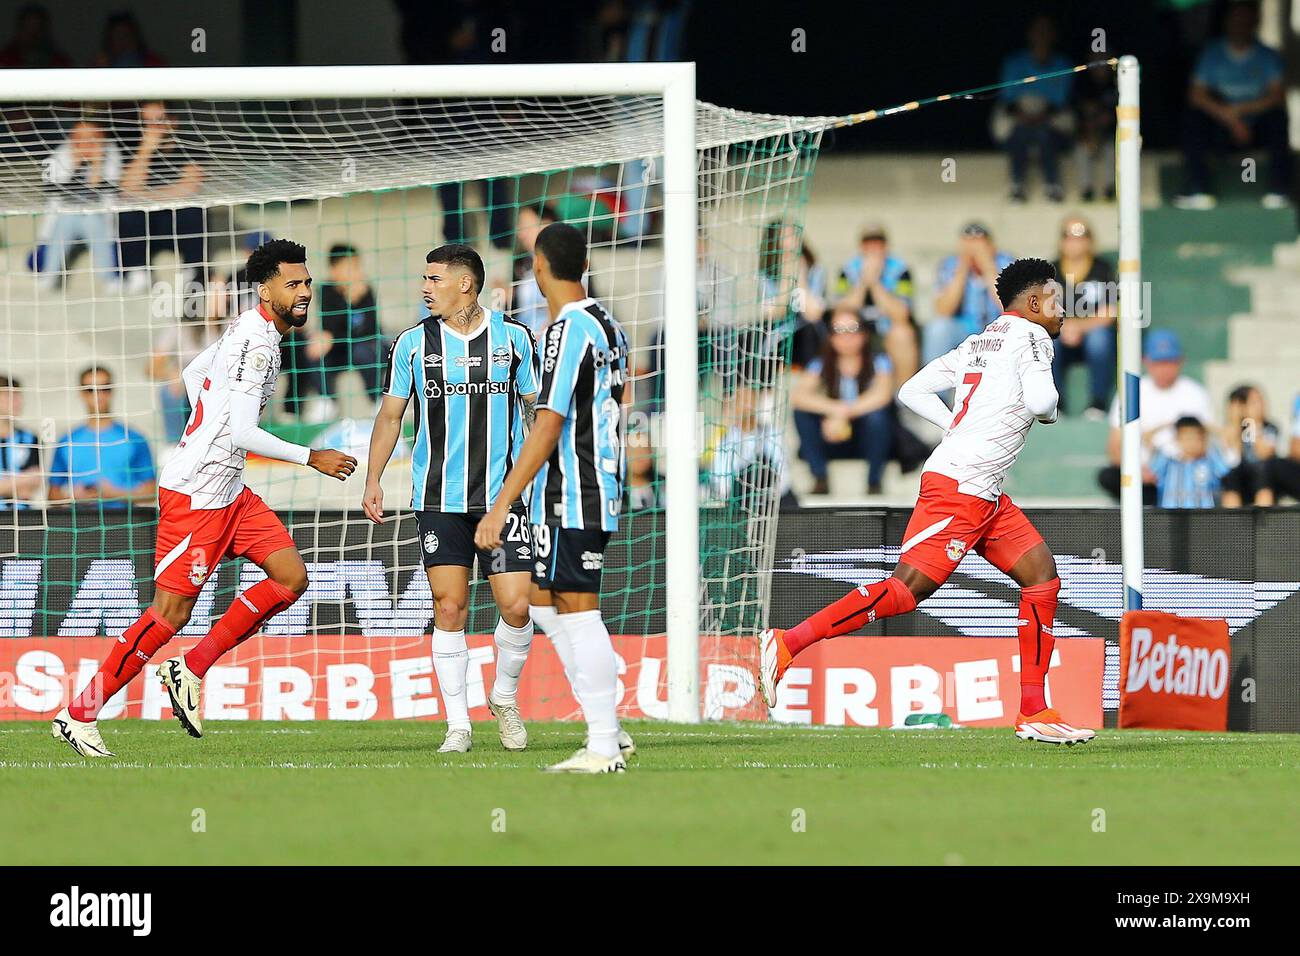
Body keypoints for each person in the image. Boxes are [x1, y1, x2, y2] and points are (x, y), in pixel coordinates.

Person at [760, 258, 1096, 745]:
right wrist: (1041, 411)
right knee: (907, 591)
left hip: (981, 488)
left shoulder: (980, 340)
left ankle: (1034, 709)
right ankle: (787, 644)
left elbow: (911, 389)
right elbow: (1043, 404)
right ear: (1035, 301)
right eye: (1057, 299)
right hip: (961, 487)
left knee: (1041, 576)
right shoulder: (1032, 337)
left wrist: (953, 428)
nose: (1063, 311)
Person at [51, 240, 358, 758]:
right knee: (169, 614)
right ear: (266, 290)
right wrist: (312, 457)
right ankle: (80, 713)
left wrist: (207, 424)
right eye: (294, 283)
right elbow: (241, 432)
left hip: (229, 490)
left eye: (306, 282)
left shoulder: (248, 325)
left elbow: (195, 376)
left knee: (291, 577)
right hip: (197, 494)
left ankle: (190, 667)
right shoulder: (258, 344)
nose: (305, 292)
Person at [363, 244, 539, 755]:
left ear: (465, 283)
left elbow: (535, 411)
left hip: (501, 502)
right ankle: (458, 724)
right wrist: (373, 479)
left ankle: (503, 697)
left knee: (515, 604)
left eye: (433, 279)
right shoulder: (412, 345)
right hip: (440, 500)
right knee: (450, 604)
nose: (425, 287)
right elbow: (392, 416)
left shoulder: (515, 339)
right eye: (424, 279)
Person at [474, 222, 636, 773]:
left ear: (540, 267)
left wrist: (501, 505)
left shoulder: (566, 331)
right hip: (590, 485)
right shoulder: (610, 324)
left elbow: (547, 425)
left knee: (577, 608)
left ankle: (603, 744)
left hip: (576, 490)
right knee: (542, 600)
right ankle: (608, 726)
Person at [1175, 0, 1291, 210]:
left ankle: (1279, 189)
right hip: (1220, 128)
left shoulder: (1267, 56)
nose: (1240, 25)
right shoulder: (1212, 54)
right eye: (1236, 19)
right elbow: (1196, 95)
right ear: (1226, 22)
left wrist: (1240, 112)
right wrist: (1230, 118)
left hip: (1256, 127)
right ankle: (1198, 189)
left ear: (1254, 23)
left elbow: (1277, 97)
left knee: (1278, 118)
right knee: (1193, 119)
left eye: (1245, 20)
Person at [1098, 329, 1213, 504]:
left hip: (1186, 469)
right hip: (1145, 474)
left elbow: (1207, 440)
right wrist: (1138, 471)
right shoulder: (1132, 392)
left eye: (1170, 362)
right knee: (1110, 476)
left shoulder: (1195, 393)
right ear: (1146, 361)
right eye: (1159, 362)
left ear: (1180, 361)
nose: (1164, 369)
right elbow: (1114, 446)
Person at [791, 309, 894, 495]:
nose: (846, 337)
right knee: (801, 414)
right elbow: (799, 397)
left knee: (878, 418)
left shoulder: (879, 361)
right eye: (839, 330)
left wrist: (843, 413)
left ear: (864, 333)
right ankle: (819, 476)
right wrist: (835, 410)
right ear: (830, 336)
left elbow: (883, 395)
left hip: (865, 438)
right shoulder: (821, 363)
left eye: (852, 329)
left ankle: (874, 481)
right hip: (832, 436)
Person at [285, 243, 384, 422]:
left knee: (363, 350)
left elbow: (370, 329)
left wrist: (354, 301)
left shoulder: (365, 290)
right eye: (349, 267)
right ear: (334, 269)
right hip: (338, 350)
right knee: (312, 347)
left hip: (364, 348)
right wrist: (346, 301)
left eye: (357, 266)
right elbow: (329, 326)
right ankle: (327, 400)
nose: (355, 272)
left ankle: (377, 400)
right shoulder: (326, 290)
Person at [116, 101, 206, 294]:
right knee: (128, 213)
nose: (153, 127)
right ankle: (137, 272)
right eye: (146, 122)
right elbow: (126, 190)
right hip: (146, 224)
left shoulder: (190, 145)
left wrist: (145, 196)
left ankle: (193, 272)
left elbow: (189, 187)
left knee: (194, 210)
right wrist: (146, 150)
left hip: (177, 221)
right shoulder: (132, 147)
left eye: (158, 120)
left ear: (173, 121)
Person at [47, 366, 155, 508]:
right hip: (79, 524)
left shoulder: (133, 438)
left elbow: (152, 492)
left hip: (123, 523)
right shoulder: (67, 441)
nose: (98, 395)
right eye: (91, 389)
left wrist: (115, 494)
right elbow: (51, 494)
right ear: (82, 393)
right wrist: (72, 497)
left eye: (105, 388)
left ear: (112, 391)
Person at [992, 15, 1074, 203]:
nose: (1042, 37)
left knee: (1044, 134)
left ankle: (1053, 185)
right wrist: (1025, 116)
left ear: (1054, 36)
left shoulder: (1063, 64)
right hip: (1019, 117)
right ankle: (1017, 186)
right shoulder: (1013, 62)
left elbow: (1060, 100)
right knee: (1020, 133)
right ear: (1030, 35)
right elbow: (1008, 97)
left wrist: (1038, 118)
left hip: (1049, 119)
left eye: (1046, 32)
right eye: (1038, 32)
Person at [39, 118, 123, 291]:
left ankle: (109, 279)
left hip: (97, 223)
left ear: (101, 138)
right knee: (68, 217)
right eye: (79, 138)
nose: (84, 143)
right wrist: (75, 164)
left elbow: (105, 190)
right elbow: (55, 190)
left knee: (90, 218)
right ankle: (49, 277)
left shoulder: (111, 152)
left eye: (91, 138)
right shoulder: (62, 153)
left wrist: (97, 164)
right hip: (63, 223)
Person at [835, 224, 919, 381]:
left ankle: (904, 396)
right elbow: (842, 311)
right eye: (868, 244)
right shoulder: (848, 270)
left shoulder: (901, 270)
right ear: (861, 247)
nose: (873, 249)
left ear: (886, 246)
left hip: (886, 328)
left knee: (903, 334)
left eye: (878, 244)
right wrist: (863, 282)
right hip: (856, 328)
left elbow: (901, 314)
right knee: (841, 334)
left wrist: (875, 283)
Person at [1052, 217, 1116, 417]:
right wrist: (1063, 328)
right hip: (1060, 336)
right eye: (1069, 236)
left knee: (1100, 339)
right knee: (1045, 341)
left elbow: (1110, 311)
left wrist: (1079, 327)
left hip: (1092, 335)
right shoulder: (1049, 270)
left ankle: (1097, 404)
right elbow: (1042, 313)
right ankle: (1054, 406)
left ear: (1090, 240)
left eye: (1081, 236)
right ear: (1061, 241)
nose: (1075, 241)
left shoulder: (1103, 268)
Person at [928, 222, 1014, 364]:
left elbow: (1011, 307)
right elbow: (943, 311)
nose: (974, 252)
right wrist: (962, 268)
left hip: (1001, 329)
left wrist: (988, 267)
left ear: (992, 247)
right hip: (963, 328)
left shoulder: (1007, 262)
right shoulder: (948, 265)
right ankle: (934, 385)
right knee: (939, 329)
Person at [149, 314, 226, 443]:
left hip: (220, 385)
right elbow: (151, 368)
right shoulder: (179, 327)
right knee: (169, 392)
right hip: (187, 390)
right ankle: (175, 445)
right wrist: (173, 375)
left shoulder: (233, 322)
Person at [1151, 417, 1232, 508]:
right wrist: (1168, 424)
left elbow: (1226, 470)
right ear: (1177, 439)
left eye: (1196, 437)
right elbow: (1146, 438)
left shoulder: (1209, 463)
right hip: (1171, 520)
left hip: (1203, 520)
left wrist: (1206, 427)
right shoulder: (1168, 464)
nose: (1192, 443)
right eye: (1187, 438)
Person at [1220, 384, 1278, 507]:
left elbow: (1264, 453)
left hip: (1262, 478)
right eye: (1253, 402)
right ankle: (1232, 523)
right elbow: (1232, 459)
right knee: (1230, 477)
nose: (1260, 405)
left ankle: (1262, 523)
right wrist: (1236, 421)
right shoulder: (1232, 429)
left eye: (1260, 400)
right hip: (1239, 478)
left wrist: (1253, 423)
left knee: (1263, 477)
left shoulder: (1270, 428)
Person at [1074, 60, 1118, 202]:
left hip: (1110, 136)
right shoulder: (1083, 87)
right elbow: (1081, 119)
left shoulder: (1116, 85)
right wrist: (1089, 135)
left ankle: (1110, 189)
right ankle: (1086, 190)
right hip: (1087, 136)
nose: (1100, 70)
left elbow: (1113, 119)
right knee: (1081, 150)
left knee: (1112, 149)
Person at [0, 375, 42, 510]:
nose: (17, 401)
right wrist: (22, 481)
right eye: (9, 396)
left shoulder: (31, 438)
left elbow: (34, 484)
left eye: (18, 395)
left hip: (24, 519)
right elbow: (27, 482)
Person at [0, 5, 71, 68]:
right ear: (19, 30)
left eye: (37, 29)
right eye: (28, 28)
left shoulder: (59, 63)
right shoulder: (4, 60)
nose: (32, 35)